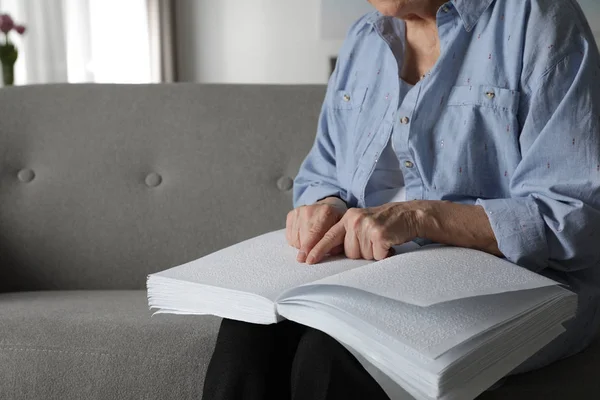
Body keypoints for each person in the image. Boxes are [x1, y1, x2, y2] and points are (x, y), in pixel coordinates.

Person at [203, 0, 600, 398]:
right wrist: (326, 206)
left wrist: (420, 217)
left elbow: (576, 217)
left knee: (331, 357)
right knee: (248, 334)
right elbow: (321, 173)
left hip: (513, 286)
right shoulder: (365, 37)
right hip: (365, 275)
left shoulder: (539, 19)